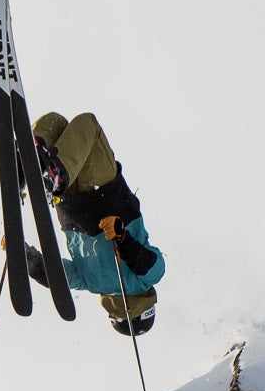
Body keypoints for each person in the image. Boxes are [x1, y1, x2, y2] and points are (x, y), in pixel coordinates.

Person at [22, 111, 164, 337]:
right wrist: (25, 258)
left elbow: (145, 261)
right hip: (71, 210)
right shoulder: (90, 283)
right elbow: (58, 276)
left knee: (87, 124)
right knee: (58, 127)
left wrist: (121, 235)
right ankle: (37, 165)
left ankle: (48, 169)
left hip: (106, 197)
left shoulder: (148, 278)